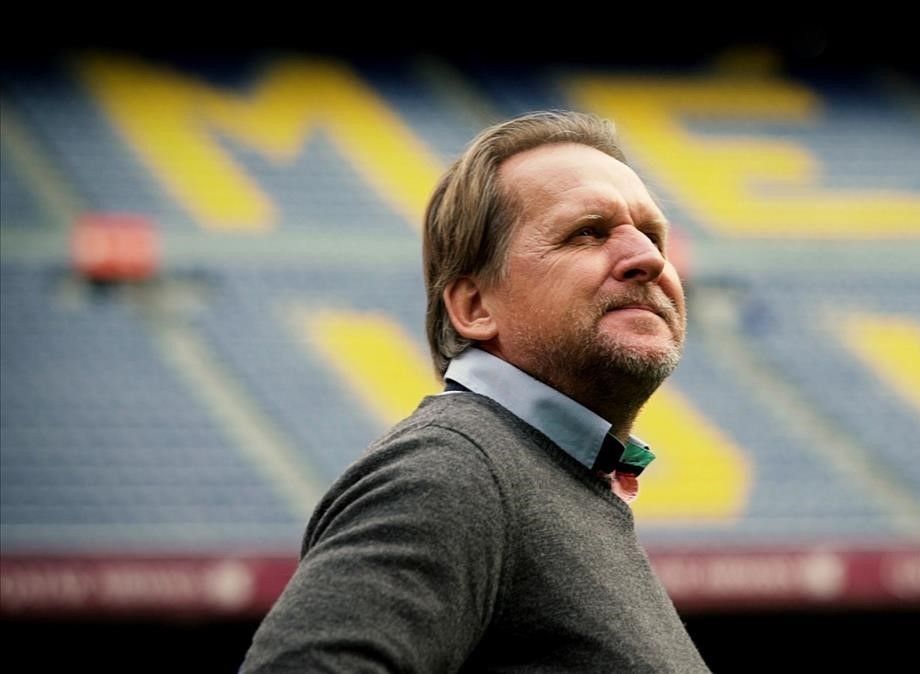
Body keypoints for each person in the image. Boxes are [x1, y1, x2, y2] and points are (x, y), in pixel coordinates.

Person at [242, 110, 709, 671]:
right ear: (474, 307)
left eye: (653, 234)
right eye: (587, 232)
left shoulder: (553, 477)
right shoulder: (454, 469)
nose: (650, 258)